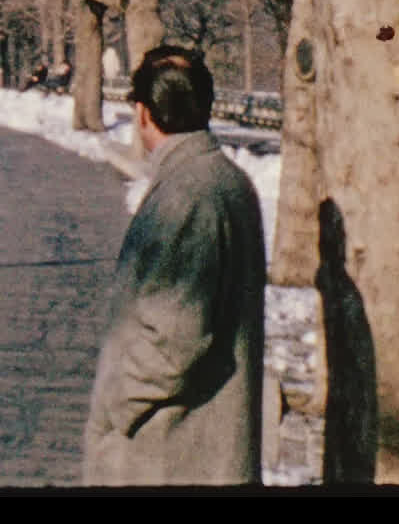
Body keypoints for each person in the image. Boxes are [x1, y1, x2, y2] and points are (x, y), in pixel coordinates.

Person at [83, 45, 266, 486]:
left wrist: (114, 403)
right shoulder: (221, 179)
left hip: (171, 453)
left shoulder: (189, 193)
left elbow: (174, 339)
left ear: (144, 115)